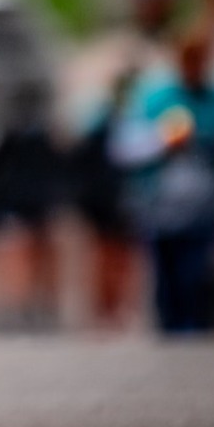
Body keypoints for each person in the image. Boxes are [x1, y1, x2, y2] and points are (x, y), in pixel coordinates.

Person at [128, 30, 214, 335]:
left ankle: (197, 328)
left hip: (207, 207)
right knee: (167, 276)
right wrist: (163, 143)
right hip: (160, 205)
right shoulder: (155, 99)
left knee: (199, 275)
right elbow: (127, 148)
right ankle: (170, 328)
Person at [0, 87, 67, 331]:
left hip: (35, 205)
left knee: (37, 259)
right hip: (17, 206)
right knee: (17, 259)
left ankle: (35, 308)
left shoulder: (41, 137)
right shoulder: (14, 137)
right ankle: (15, 308)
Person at [68, 60, 144, 329]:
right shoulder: (104, 113)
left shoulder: (128, 113)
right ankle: (106, 309)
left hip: (114, 193)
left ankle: (113, 309)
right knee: (108, 253)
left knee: (118, 254)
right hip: (104, 194)